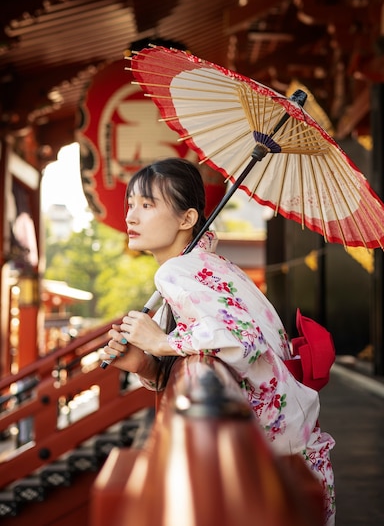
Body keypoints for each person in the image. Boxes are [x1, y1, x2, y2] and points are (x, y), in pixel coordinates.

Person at [102, 157, 335, 525]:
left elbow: (243, 340)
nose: (131, 216)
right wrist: (146, 364)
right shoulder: (209, 264)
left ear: (187, 219)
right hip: (292, 460)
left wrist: (162, 343)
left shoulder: (178, 270)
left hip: (266, 463)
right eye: (131, 204)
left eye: (147, 206)